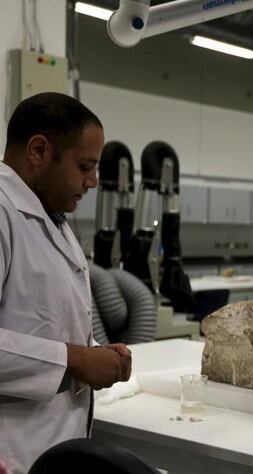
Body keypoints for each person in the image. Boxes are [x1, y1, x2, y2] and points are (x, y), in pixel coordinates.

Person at [0, 93, 132, 473]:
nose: (92, 182)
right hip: (13, 452)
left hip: (52, 447)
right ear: (39, 151)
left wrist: (97, 354)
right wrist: (76, 361)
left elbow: (41, 324)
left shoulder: (52, 218)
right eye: (84, 166)